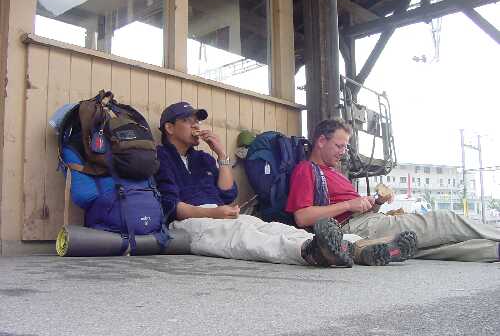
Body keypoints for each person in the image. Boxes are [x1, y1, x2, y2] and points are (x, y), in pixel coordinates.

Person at [154, 101, 362, 267]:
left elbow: (227, 194)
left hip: (220, 215)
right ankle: (309, 250)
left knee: (267, 227)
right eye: (187, 121)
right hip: (192, 222)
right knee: (245, 237)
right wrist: (213, 213)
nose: (195, 126)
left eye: (196, 121)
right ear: (169, 128)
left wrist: (222, 154)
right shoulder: (161, 157)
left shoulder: (203, 159)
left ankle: (354, 244)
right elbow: (171, 206)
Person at [286, 119, 500, 263]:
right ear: (321, 141)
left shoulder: (334, 173)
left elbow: (357, 210)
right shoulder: (306, 170)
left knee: (426, 247)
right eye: (339, 146)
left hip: (363, 223)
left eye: (345, 147)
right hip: (350, 227)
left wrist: (376, 202)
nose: (343, 153)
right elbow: (302, 217)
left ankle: (493, 251)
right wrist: (349, 204)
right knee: (444, 220)